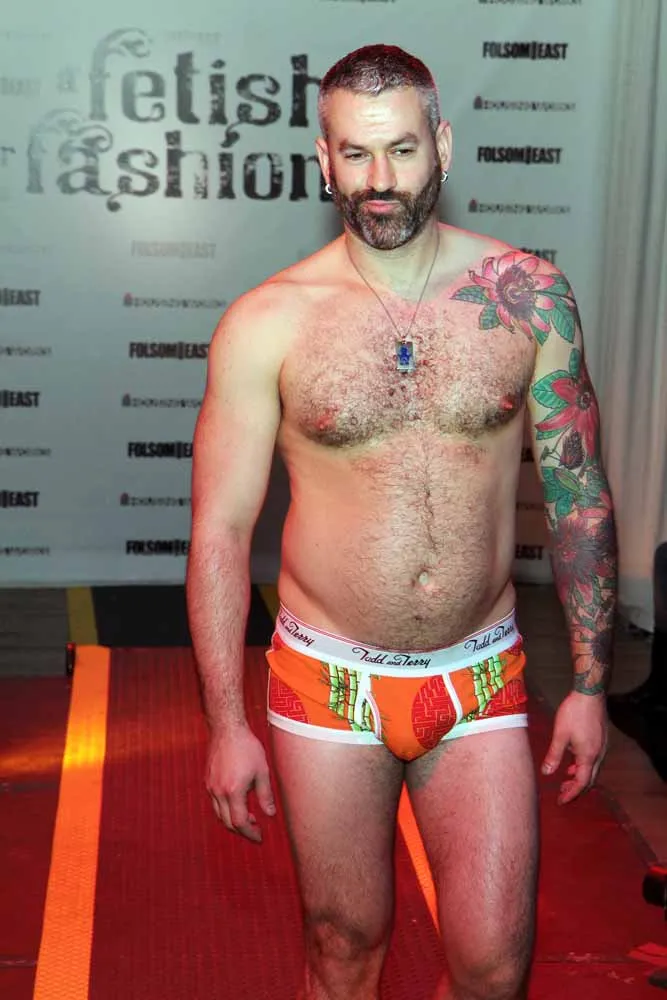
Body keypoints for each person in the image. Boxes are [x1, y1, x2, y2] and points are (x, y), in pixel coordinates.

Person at [186, 44, 616, 1000]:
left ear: (442, 148)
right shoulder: (268, 320)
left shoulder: (528, 296)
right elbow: (219, 531)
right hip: (326, 680)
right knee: (342, 949)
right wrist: (225, 724)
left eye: (402, 151)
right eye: (355, 154)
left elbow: (576, 492)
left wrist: (591, 685)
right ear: (322, 160)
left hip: (479, 675)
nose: (378, 181)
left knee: (494, 966)